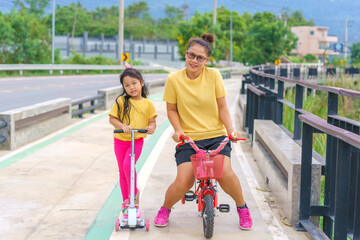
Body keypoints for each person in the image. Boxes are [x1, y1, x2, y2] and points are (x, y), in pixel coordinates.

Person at [154, 33, 253, 230]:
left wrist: (230, 131)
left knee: (225, 174)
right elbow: (171, 110)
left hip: (216, 136)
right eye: (191, 55)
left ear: (207, 61)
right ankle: (165, 208)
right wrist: (178, 131)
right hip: (188, 139)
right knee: (184, 180)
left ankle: (242, 208)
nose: (194, 60)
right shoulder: (173, 79)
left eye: (200, 58)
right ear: (185, 54)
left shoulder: (214, 75)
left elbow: (223, 107)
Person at [109, 66, 157, 218]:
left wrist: (150, 128)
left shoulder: (147, 104)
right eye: (127, 85)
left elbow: (152, 122)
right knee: (122, 171)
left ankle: (134, 197)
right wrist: (122, 126)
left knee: (127, 165)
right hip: (120, 141)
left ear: (142, 83)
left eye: (134, 83)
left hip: (136, 141)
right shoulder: (121, 101)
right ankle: (125, 201)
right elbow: (112, 118)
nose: (131, 87)